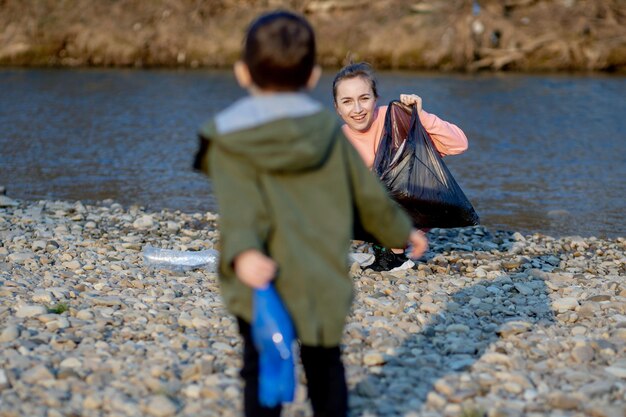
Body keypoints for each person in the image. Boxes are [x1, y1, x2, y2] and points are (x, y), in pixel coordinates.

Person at [193, 10, 428, 417]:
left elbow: (237, 202)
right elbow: (367, 195)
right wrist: (401, 230)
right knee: (323, 364)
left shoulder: (230, 132)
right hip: (318, 273)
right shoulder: (327, 133)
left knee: (262, 365)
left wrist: (245, 251)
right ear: (314, 77)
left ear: (242, 74)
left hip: (257, 276)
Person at [333, 62, 468, 269]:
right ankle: (383, 251)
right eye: (347, 102)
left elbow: (459, 144)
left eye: (364, 98)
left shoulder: (395, 118)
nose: (358, 109)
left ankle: (395, 252)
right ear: (338, 108)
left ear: (375, 99)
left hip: (415, 207)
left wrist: (419, 117)